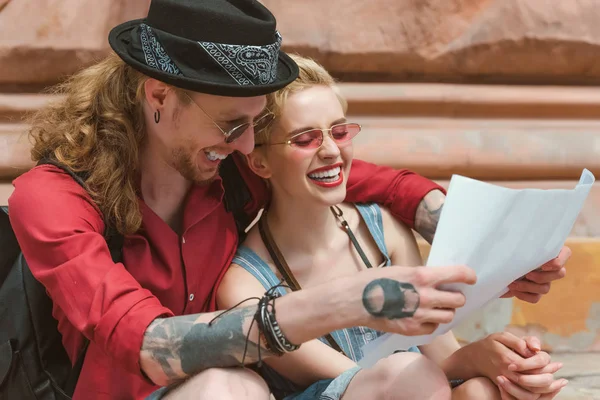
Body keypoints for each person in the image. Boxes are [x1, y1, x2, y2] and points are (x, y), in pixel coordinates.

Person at [6, 1, 569, 399]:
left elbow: (362, 177)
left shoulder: (227, 165)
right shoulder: (53, 198)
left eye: (256, 126)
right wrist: (353, 300)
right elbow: (149, 344)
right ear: (158, 94)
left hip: (241, 384)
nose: (249, 145)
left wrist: (496, 246)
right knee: (231, 387)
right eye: (233, 125)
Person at [217, 54, 568, 400]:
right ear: (259, 161)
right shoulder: (244, 286)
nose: (330, 152)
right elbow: (373, 383)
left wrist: (508, 368)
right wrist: (475, 357)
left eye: (339, 132)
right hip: (354, 393)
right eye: (305, 139)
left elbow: (439, 350)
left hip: (420, 387)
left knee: (485, 391)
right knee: (414, 375)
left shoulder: (381, 229)